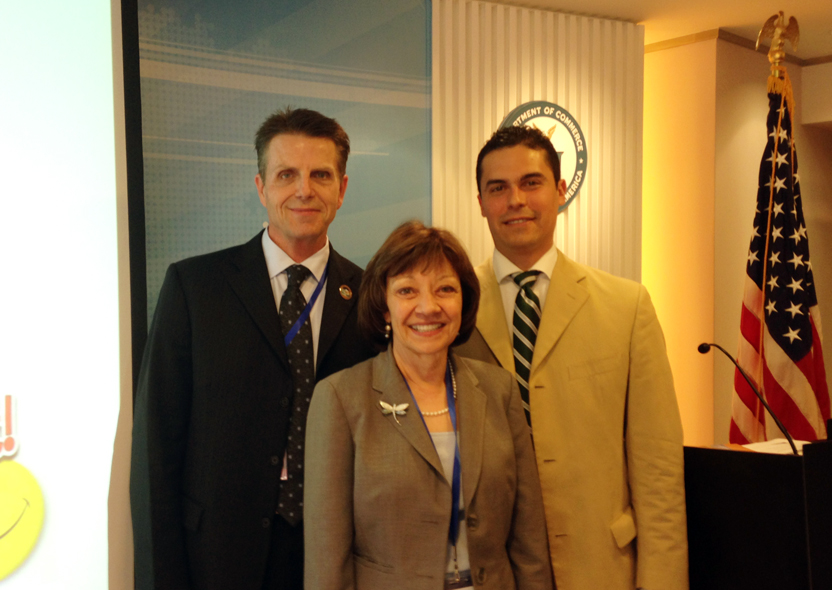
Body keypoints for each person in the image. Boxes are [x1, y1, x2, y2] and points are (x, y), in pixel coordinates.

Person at [130, 107, 376, 590]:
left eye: (320, 175)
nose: (304, 190)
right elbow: (156, 451)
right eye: (286, 175)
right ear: (261, 187)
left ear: (342, 189)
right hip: (217, 557)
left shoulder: (371, 296)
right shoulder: (195, 288)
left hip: (336, 557)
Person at [455, 125, 688, 590]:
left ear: (561, 191)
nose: (515, 200)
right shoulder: (452, 309)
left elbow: (658, 472)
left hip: (599, 567)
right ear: (480, 202)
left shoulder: (627, 307)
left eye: (531, 183)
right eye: (497, 188)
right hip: (490, 571)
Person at [303, 220, 554, 590]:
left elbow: (528, 539)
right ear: (384, 307)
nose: (428, 307)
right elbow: (327, 559)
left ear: (463, 301)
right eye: (407, 291)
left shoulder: (499, 390)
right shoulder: (341, 399)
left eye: (445, 289)